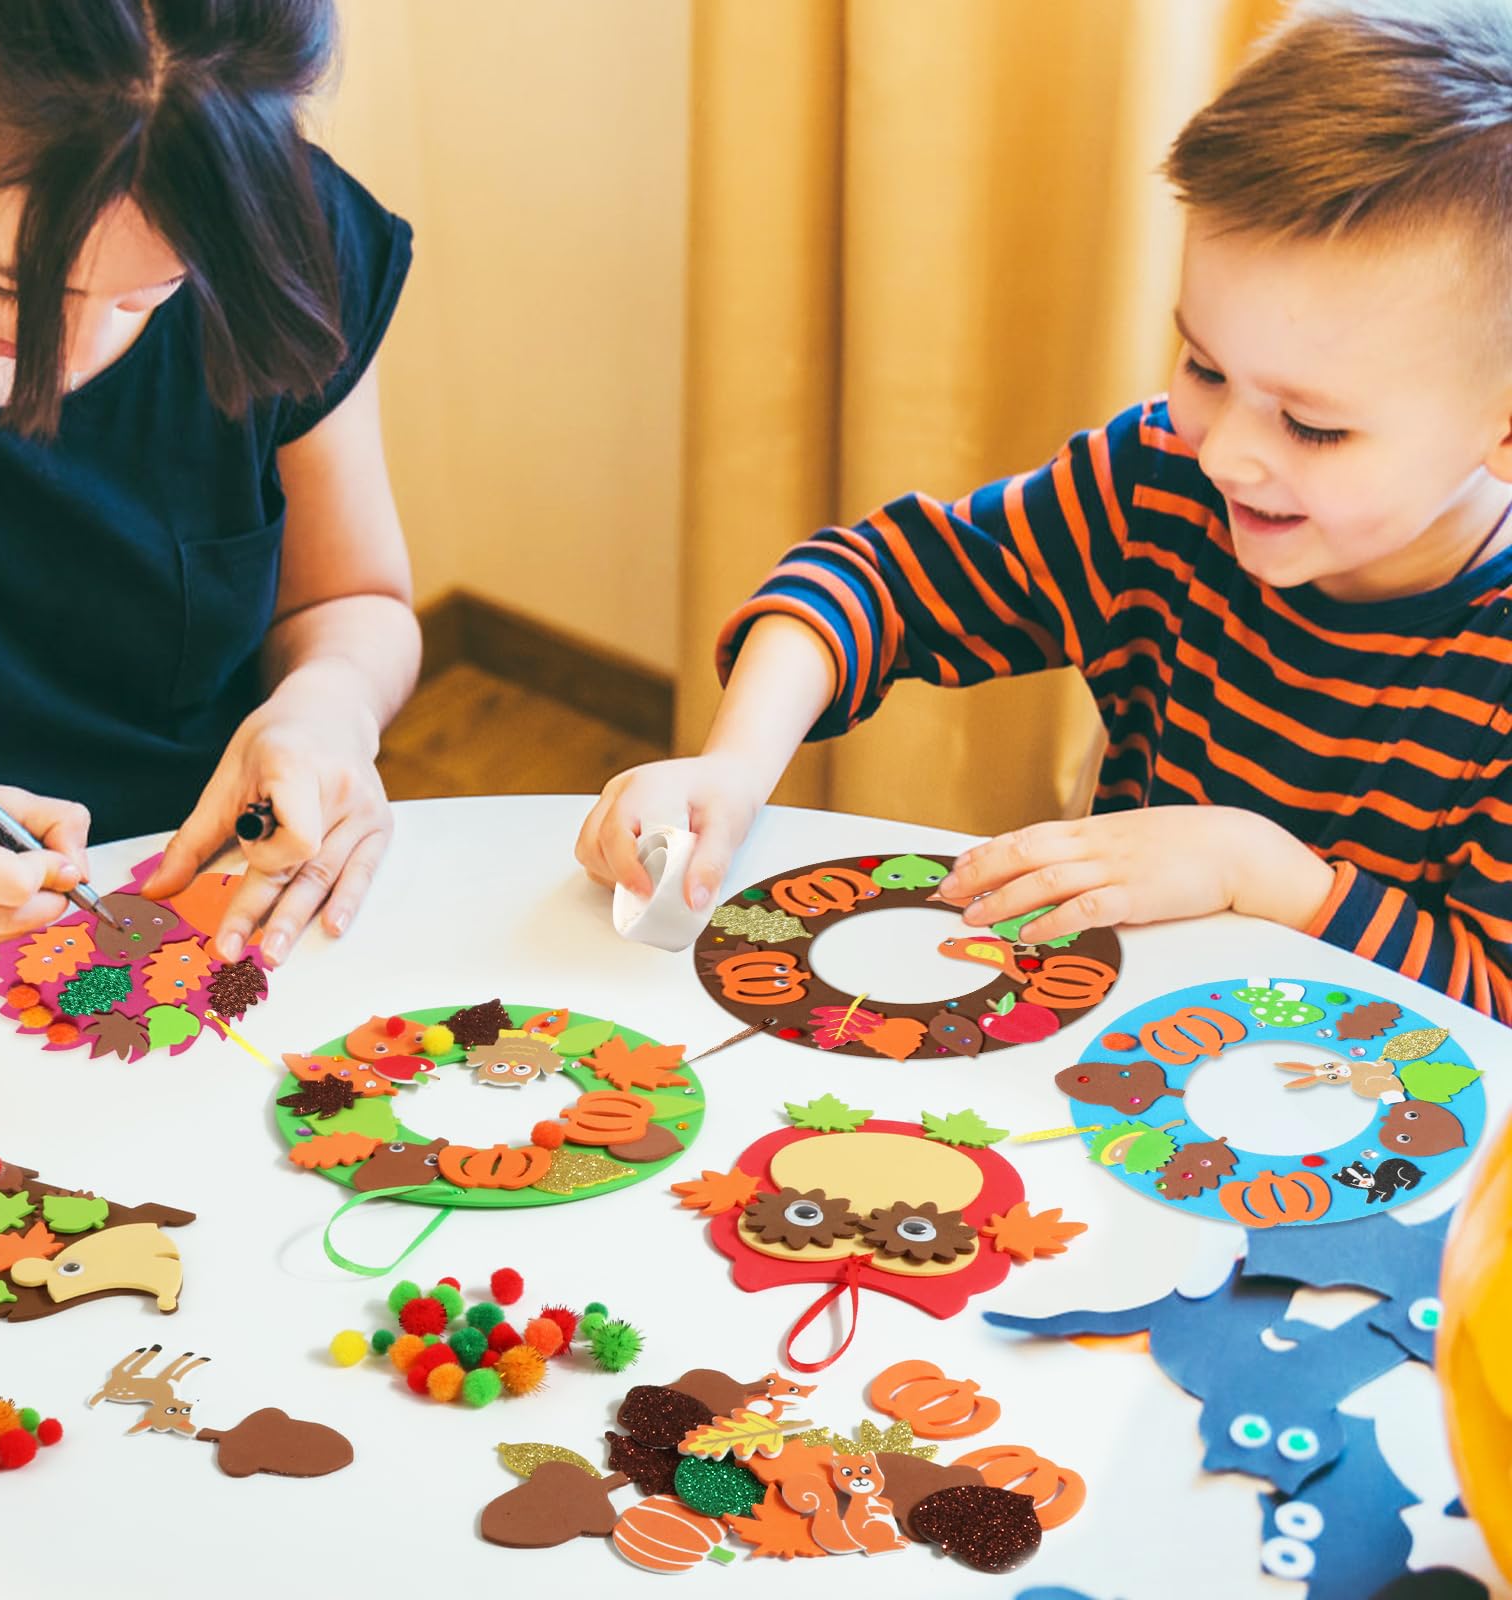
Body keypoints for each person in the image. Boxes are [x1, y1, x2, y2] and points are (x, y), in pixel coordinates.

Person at [579, 0, 1512, 1020]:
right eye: (1204, 364)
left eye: (1312, 426)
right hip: (1118, 1065)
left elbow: (1492, 1009)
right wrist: (733, 767)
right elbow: (875, 576)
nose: (1231, 451)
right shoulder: (1158, 484)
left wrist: (1266, 874)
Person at [0, 0, 419, 966]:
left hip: (210, 909)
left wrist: (328, 707)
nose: (75, 354)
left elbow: (355, 598)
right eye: (5, 286)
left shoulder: (289, 247)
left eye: (153, 291)